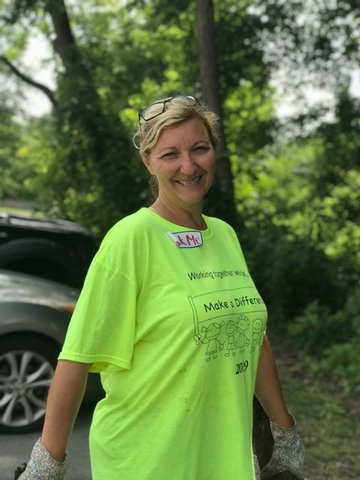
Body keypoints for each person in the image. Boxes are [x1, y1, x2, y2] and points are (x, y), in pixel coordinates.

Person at [16, 95, 304, 480]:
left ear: (213, 152)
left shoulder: (225, 236)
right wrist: (45, 468)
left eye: (199, 149)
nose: (188, 166)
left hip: (225, 460)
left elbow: (252, 339)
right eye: (170, 154)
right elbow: (76, 358)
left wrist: (286, 436)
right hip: (147, 462)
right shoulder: (131, 238)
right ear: (148, 162)